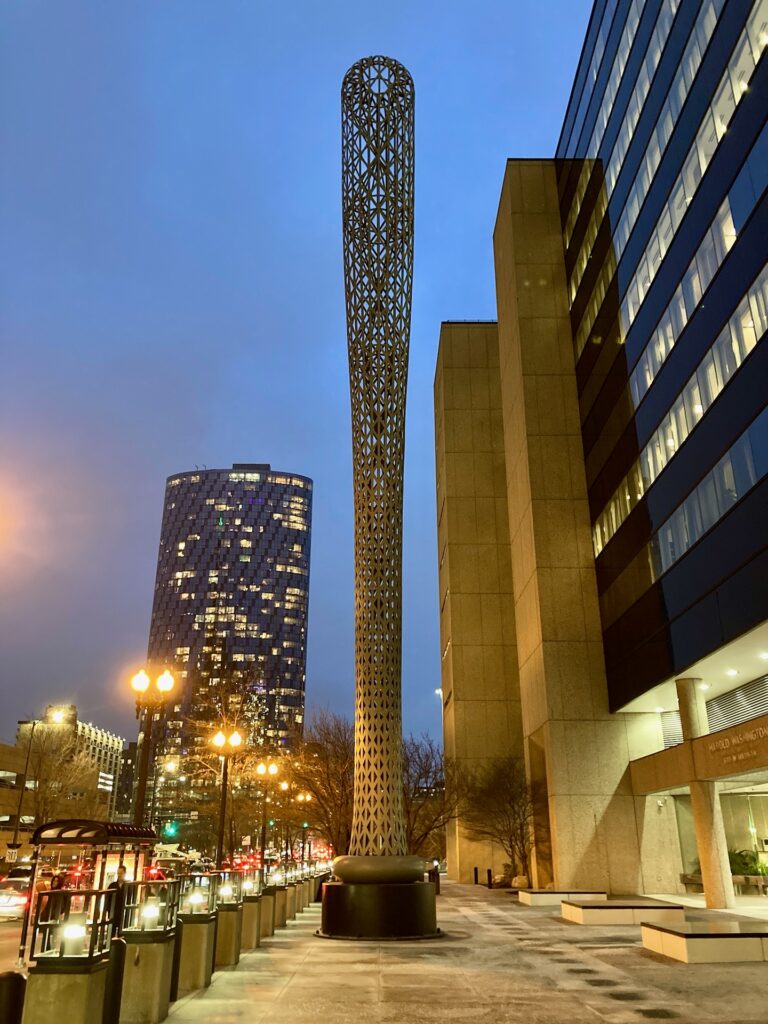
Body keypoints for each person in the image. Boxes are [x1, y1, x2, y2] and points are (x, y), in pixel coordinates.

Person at [108, 864, 128, 935]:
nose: (119, 875)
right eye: (118, 873)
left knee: (123, 931)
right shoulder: (112, 886)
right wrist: (109, 911)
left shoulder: (128, 886)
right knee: (111, 932)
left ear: (125, 873)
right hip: (114, 912)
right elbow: (108, 900)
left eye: (121, 873)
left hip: (124, 913)